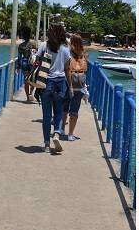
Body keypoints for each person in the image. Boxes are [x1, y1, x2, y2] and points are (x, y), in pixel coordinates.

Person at [34, 17, 71, 153]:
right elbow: (67, 70)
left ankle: (46, 144)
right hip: (60, 82)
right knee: (59, 112)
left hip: (46, 82)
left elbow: (36, 61)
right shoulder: (65, 49)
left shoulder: (44, 46)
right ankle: (56, 133)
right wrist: (71, 88)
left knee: (46, 115)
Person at [62, 34, 88, 141]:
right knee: (73, 110)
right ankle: (70, 134)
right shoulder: (82, 54)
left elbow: (66, 69)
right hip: (76, 85)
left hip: (72, 85)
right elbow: (68, 70)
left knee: (66, 109)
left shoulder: (70, 53)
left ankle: (63, 130)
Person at [16, 26, 35, 102]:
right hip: (33, 64)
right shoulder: (33, 44)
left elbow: (19, 57)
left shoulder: (21, 46)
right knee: (33, 80)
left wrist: (18, 67)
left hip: (24, 63)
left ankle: (28, 97)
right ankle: (31, 93)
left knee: (26, 80)